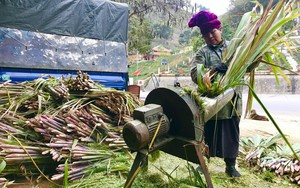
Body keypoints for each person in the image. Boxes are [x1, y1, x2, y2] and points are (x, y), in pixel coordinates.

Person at [188, 10, 242, 177]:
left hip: (231, 101)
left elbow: (247, 64)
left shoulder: (234, 47)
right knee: (207, 134)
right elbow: (194, 73)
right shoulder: (202, 53)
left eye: (213, 32)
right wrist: (212, 70)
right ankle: (202, 163)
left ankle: (231, 166)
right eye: (206, 34)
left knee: (231, 134)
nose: (210, 36)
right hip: (211, 102)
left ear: (220, 29)